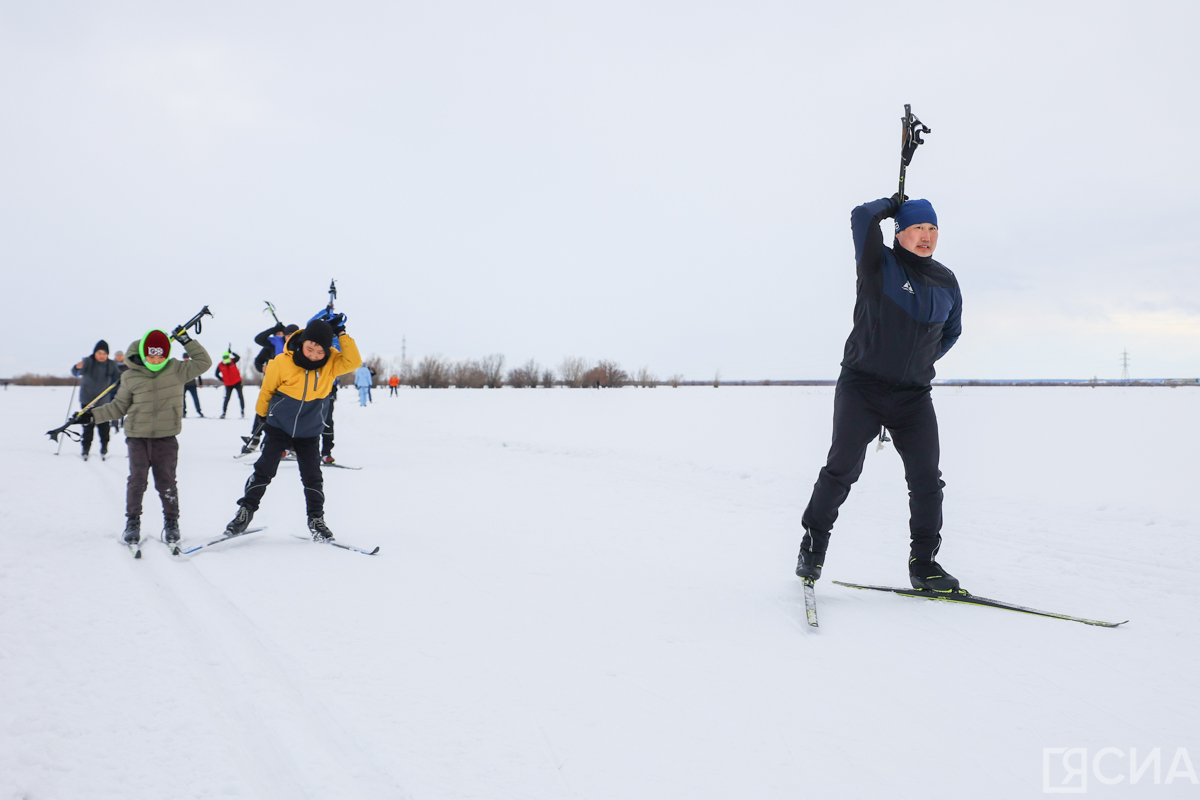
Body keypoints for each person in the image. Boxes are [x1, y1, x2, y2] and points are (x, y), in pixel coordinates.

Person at [796, 195, 962, 593]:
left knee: (926, 481)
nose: (926, 236)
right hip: (862, 386)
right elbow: (861, 216)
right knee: (842, 469)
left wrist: (917, 360)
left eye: (933, 229)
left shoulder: (946, 280)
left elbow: (952, 333)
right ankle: (814, 544)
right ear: (899, 232)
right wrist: (892, 203)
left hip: (913, 397)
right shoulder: (878, 264)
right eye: (918, 228)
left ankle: (925, 564)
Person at [223, 318, 362, 541]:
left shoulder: (332, 362)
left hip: (309, 430)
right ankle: (245, 512)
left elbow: (354, 361)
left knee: (312, 477)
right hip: (279, 426)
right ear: (302, 342)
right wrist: (261, 419)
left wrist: (342, 334)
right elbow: (267, 391)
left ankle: (316, 520)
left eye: (320, 351)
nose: (314, 355)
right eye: (310, 348)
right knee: (264, 471)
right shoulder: (281, 362)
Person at [81, 327, 212, 545]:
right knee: (137, 481)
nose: (155, 359)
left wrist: (186, 340)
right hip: (137, 437)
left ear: (166, 354)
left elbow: (203, 362)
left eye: (160, 354)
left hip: (166, 437)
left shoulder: (177, 369)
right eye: (151, 355)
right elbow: (118, 407)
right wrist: (92, 416)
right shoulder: (130, 376)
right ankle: (132, 523)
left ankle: (171, 523)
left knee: (167, 482)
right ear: (143, 354)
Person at [72, 340, 122, 460]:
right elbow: (76, 372)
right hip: (87, 399)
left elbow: (118, 377)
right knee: (88, 427)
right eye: (99, 353)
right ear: (95, 353)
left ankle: (104, 448)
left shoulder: (111, 364)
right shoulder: (88, 361)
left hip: (103, 401)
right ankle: (85, 449)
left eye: (104, 353)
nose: (101, 356)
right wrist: (76, 367)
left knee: (104, 427)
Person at [215, 350, 245, 418]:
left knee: (240, 397)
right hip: (228, 384)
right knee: (227, 398)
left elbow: (238, 357)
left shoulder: (233, 361)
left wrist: (231, 352)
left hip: (237, 382)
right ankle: (224, 413)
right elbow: (216, 374)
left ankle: (243, 412)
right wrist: (223, 380)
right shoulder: (220, 365)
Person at [181, 352, 204, 417]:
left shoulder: (193, 365)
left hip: (192, 385)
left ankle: (199, 411)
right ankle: (184, 412)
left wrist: (200, 383)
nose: (186, 359)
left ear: (188, 358)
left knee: (195, 398)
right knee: (182, 399)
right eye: (185, 358)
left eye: (186, 358)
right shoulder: (182, 365)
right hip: (184, 385)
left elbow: (198, 374)